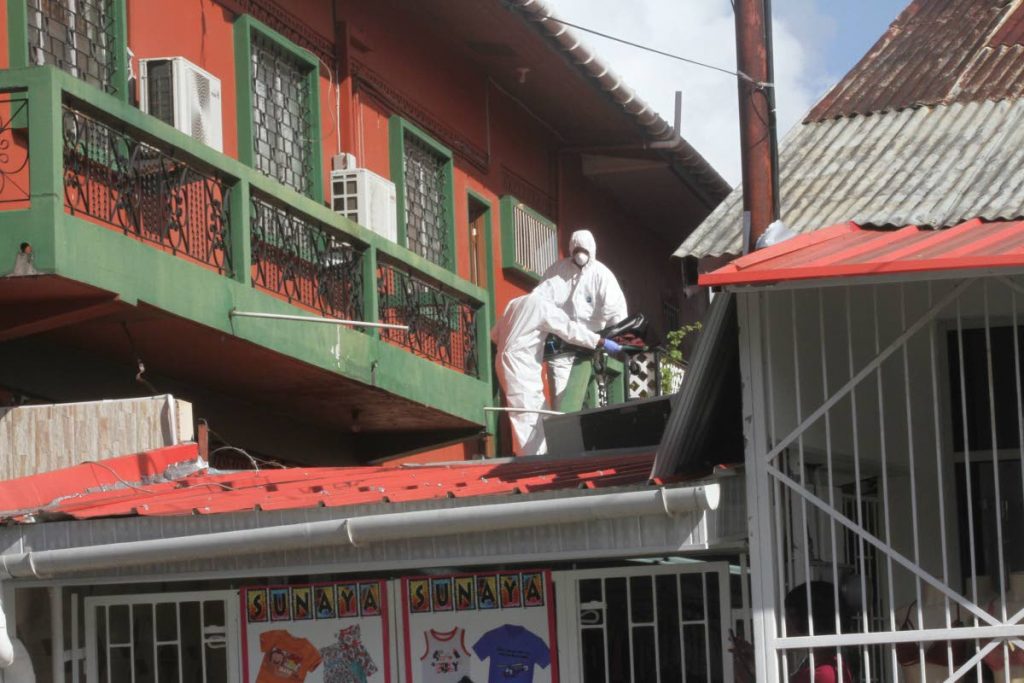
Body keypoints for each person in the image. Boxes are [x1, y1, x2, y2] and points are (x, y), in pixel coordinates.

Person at [493, 291, 622, 456]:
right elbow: (569, 329)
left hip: (503, 360)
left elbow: (495, 335)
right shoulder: (543, 304)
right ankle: (536, 464)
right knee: (529, 415)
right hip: (521, 363)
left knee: (533, 411)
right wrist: (599, 341)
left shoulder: (514, 302)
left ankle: (543, 456)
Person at [534, 229, 627, 409]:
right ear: (571, 249)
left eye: (584, 251)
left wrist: (612, 340)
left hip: (592, 347)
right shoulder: (556, 272)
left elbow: (617, 312)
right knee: (562, 402)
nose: (580, 255)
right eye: (576, 251)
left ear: (591, 250)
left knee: (591, 398)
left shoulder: (602, 276)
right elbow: (538, 302)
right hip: (561, 348)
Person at [731, 582, 853, 683]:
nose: (785, 623)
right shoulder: (826, 666)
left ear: (808, 620)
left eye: (790, 615)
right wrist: (757, 665)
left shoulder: (823, 674)